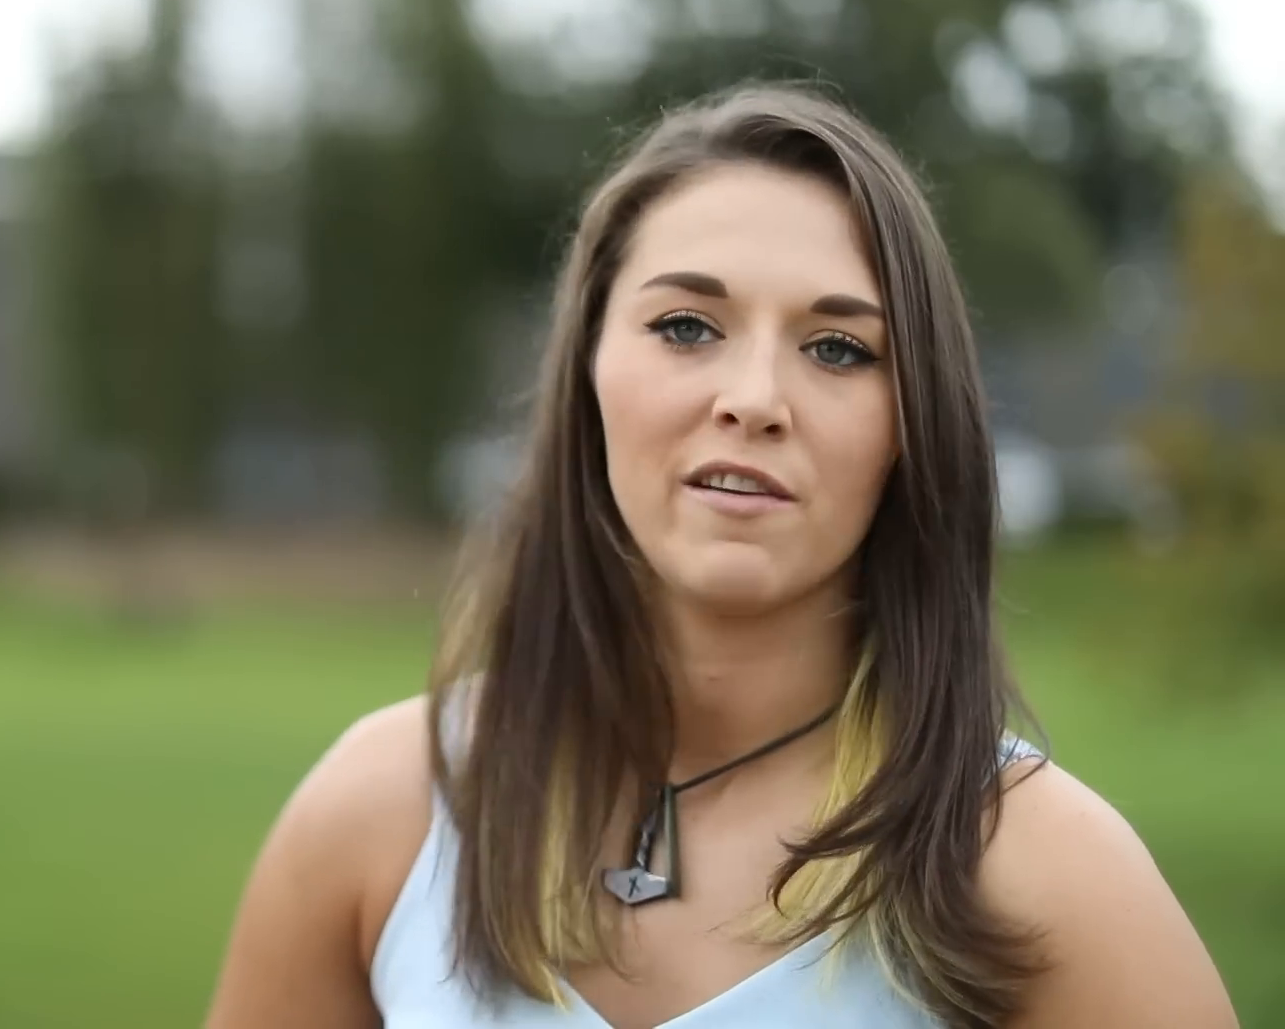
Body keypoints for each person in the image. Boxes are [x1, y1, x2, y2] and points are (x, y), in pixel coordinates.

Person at [202, 83, 1236, 1029]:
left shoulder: (1044, 876)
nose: (754, 398)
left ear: (912, 423)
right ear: (588, 371)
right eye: (688, 326)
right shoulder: (382, 814)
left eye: (838, 348)